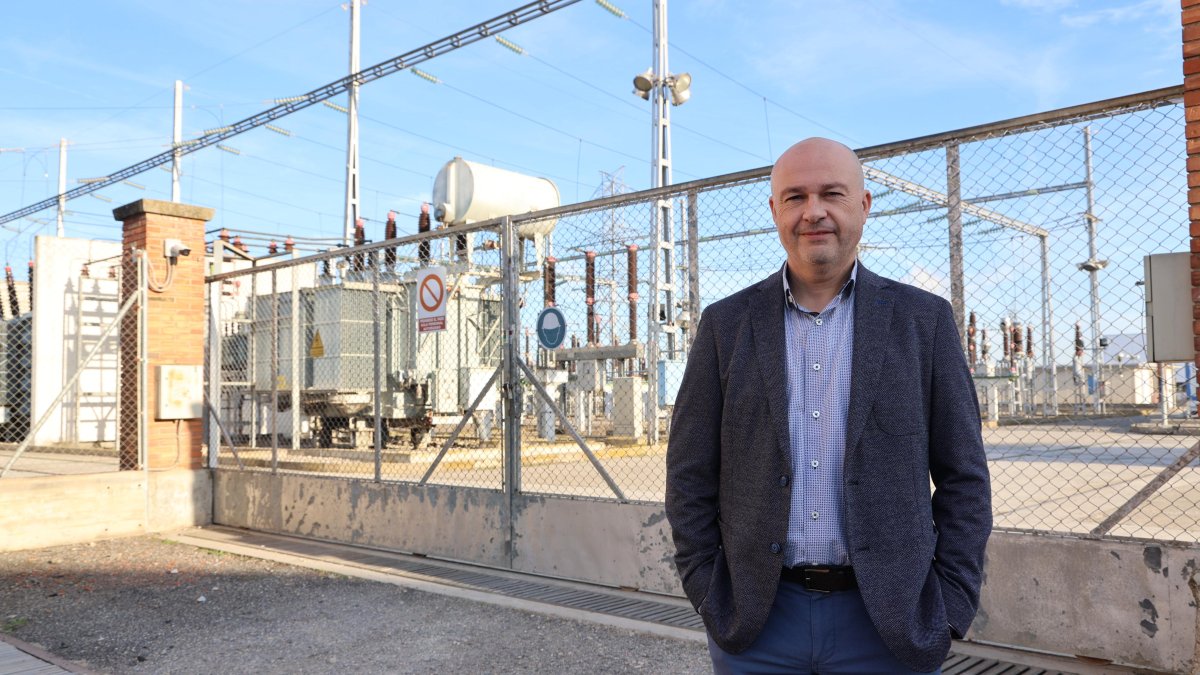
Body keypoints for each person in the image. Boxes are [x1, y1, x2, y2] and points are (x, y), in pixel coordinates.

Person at [665, 138, 992, 674]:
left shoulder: (923, 322)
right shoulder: (725, 325)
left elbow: (965, 478)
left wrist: (950, 604)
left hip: (889, 625)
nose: (813, 211)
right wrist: (708, 591)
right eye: (795, 197)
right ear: (775, 211)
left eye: (831, 194)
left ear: (862, 205)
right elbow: (689, 474)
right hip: (757, 625)